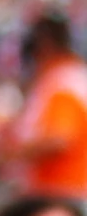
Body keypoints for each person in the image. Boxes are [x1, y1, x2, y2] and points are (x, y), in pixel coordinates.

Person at [8, 13, 87, 198]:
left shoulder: (64, 81)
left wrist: (12, 152)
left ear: (45, 43)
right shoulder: (68, 77)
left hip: (66, 194)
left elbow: (59, 138)